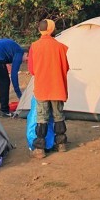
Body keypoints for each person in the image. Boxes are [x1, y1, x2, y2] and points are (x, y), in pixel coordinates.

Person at [27, 19, 69, 158]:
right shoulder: (60, 47)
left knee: (42, 118)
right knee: (58, 116)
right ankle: (61, 144)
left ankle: (40, 149)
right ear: (52, 29)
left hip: (42, 87)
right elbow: (66, 67)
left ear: (40, 30)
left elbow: (32, 70)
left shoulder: (34, 46)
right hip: (57, 86)